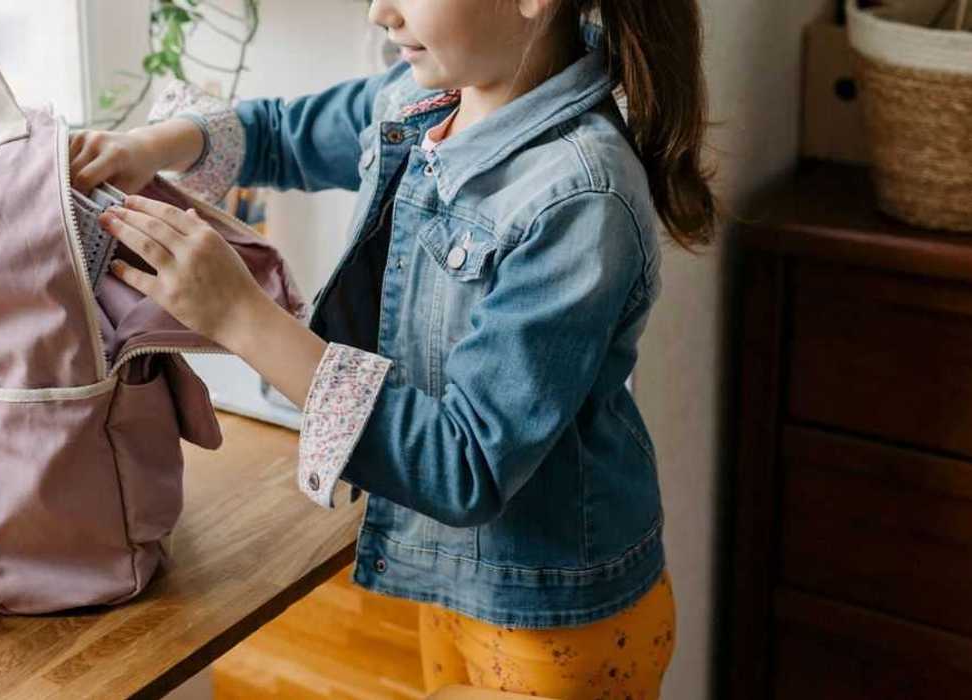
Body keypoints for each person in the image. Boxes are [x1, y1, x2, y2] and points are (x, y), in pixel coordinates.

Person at [69, 0, 715, 695]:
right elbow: (284, 133)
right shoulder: (423, 96)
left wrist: (240, 317)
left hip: (554, 618)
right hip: (455, 582)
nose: (379, 12)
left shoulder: (577, 198)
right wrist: (149, 147)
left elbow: (463, 464)